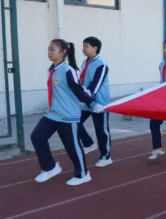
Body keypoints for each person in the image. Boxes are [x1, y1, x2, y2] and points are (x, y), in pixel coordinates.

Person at [31, 39, 105, 186]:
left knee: (72, 147)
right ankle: (50, 167)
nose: (49, 52)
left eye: (52, 49)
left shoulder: (67, 70)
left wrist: (93, 104)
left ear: (63, 52)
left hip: (68, 116)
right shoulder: (51, 69)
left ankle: (83, 174)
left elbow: (78, 90)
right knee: (37, 137)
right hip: (53, 114)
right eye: (48, 49)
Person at [76, 37, 112, 168]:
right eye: (83, 46)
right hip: (86, 102)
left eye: (86, 46)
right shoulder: (84, 62)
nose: (83, 49)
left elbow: (95, 85)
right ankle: (88, 143)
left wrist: (85, 97)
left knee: (101, 130)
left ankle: (106, 157)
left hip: (99, 103)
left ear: (95, 48)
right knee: (74, 121)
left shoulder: (102, 64)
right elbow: (81, 81)